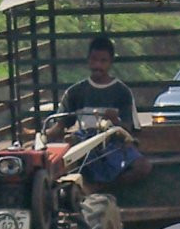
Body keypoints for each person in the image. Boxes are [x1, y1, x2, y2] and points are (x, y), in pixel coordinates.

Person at [57, 34, 151, 186]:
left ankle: (105, 189)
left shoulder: (122, 92)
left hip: (113, 144)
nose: (97, 66)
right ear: (88, 60)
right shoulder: (75, 92)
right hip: (83, 143)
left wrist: (115, 121)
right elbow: (60, 126)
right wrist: (38, 136)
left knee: (143, 167)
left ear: (110, 63)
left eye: (103, 61)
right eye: (94, 60)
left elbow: (129, 129)